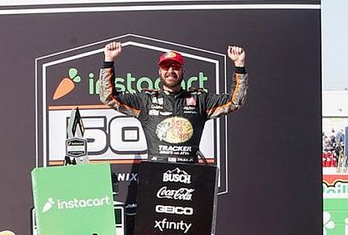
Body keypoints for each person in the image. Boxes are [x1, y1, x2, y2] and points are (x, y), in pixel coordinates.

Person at [99, 42, 247, 163]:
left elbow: (235, 101)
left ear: (183, 72)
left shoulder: (200, 100)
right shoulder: (146, 100)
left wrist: (239, 65)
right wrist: (108, 61)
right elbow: (109, 97)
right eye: (166, 67)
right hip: (156, 173)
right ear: (159, 72)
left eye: (175, 67)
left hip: (189, 173)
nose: (170, 71)